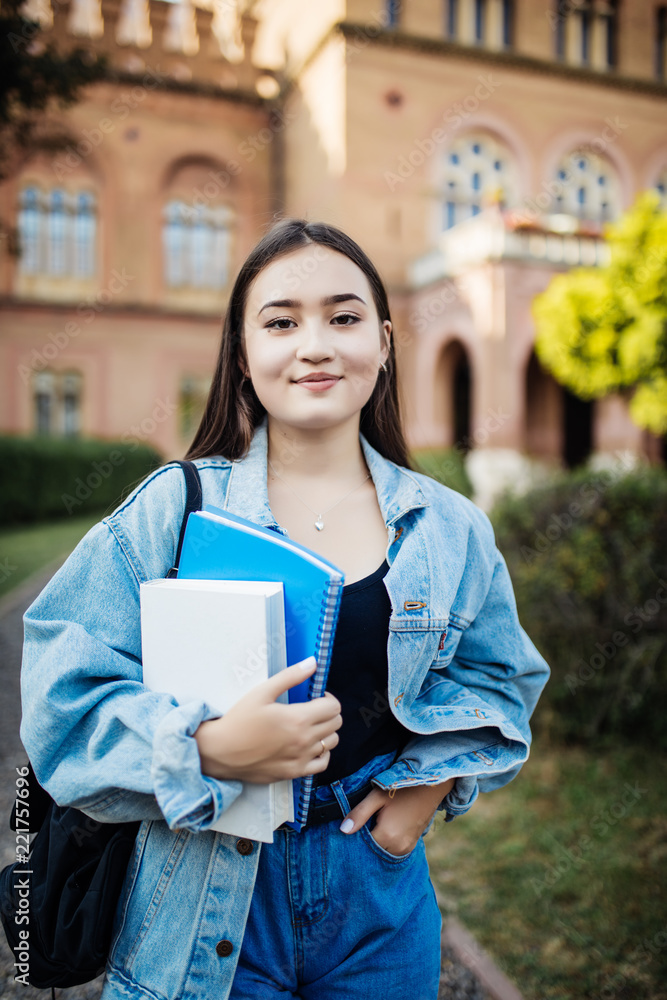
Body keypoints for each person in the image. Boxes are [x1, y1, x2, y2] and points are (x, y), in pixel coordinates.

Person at [20, 218, 550, 1000]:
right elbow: (59, 700)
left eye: (343, 317)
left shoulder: (448, 527)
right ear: (241, 351)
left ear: (384, 341)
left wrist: (421, 794)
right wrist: (208, 748)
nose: (314, 345)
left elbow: (500, 680)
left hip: (376, 894)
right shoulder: (176, 509)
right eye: (280, 321)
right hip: (199, 878)